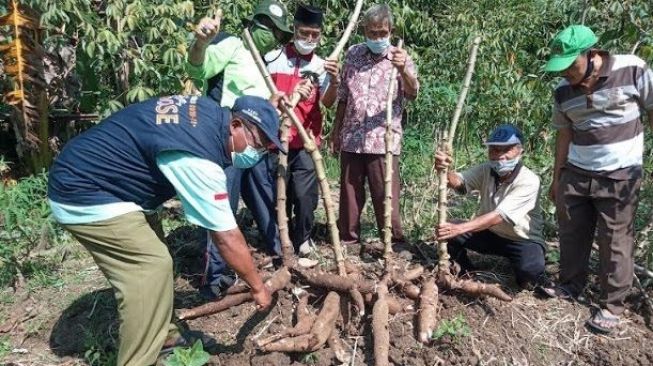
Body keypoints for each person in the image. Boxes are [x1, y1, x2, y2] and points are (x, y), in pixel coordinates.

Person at [48, 95, 283, 366]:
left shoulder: (209, 111)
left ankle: (165, 338)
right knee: (150, 267)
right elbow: (226, 237)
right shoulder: (199, 156)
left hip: (110, 183)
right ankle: (138, 360)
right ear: (236, 125)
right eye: (258, 144)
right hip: (84, 190)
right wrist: (257, 287)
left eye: (265, 149)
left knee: (159, 256)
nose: (258, 153)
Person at [543, 25, 653, 333]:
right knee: (572, 232)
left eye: (570, 65)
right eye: (560, 67)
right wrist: (557, 178)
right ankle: (569, 286)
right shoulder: (563, 91)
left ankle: (612, 305)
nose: (564, 72)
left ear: (591, 54)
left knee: (615, 241)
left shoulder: (633, 69)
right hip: (577, 171)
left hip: (620, 173)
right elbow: (564, 135)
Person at [185, 0, 293, 298]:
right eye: (268, 27)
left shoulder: (263, 64)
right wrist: (200, 41)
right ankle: (215, 278)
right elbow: (197, 67)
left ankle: (282, 256)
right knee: (222, 209)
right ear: (255, 24)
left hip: (256, 145)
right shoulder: (232, 45)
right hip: (229, 142)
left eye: (277, 32)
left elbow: (257, 103)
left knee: (264, 199)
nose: (271, 35)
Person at [330, 3, 419, 245]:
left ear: (391, 30)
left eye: (382, 32)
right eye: (372, 33)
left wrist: (403, 72)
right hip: (352, 137)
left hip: (384, 139)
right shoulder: (353, 54)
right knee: (349, 193)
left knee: (385, 194)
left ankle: (392, 243)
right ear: (364, 31)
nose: (377, 37)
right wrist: (335, 131)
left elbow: (412, 93)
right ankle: (348, 240)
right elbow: (343, 97)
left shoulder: (400, 57)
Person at [435, 124, 552, 292]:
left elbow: (499, 216)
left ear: (520, 151)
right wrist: (445, 170)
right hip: (491, 234)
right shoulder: (486, 170)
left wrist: (459, 228)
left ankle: (525, 271)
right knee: (447, 230)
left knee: (529, 273)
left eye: (506, 149)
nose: (499, 156)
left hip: (522, 240)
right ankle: (466, 272)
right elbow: (459, 184)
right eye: (494, 150)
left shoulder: (529, 180)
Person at [264, 3, 340, 254]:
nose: (309, 39)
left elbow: (327, 103)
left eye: (314, 35)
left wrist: (335, 81)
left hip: (306, 139)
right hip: (274, 140)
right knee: (278, 193)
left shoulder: (321, 65)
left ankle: (303, 239)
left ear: (320, 35)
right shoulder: (272, 60)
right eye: (304, 32)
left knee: (305, 195)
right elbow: (263, 97)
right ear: (294, 29)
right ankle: (278, 240)